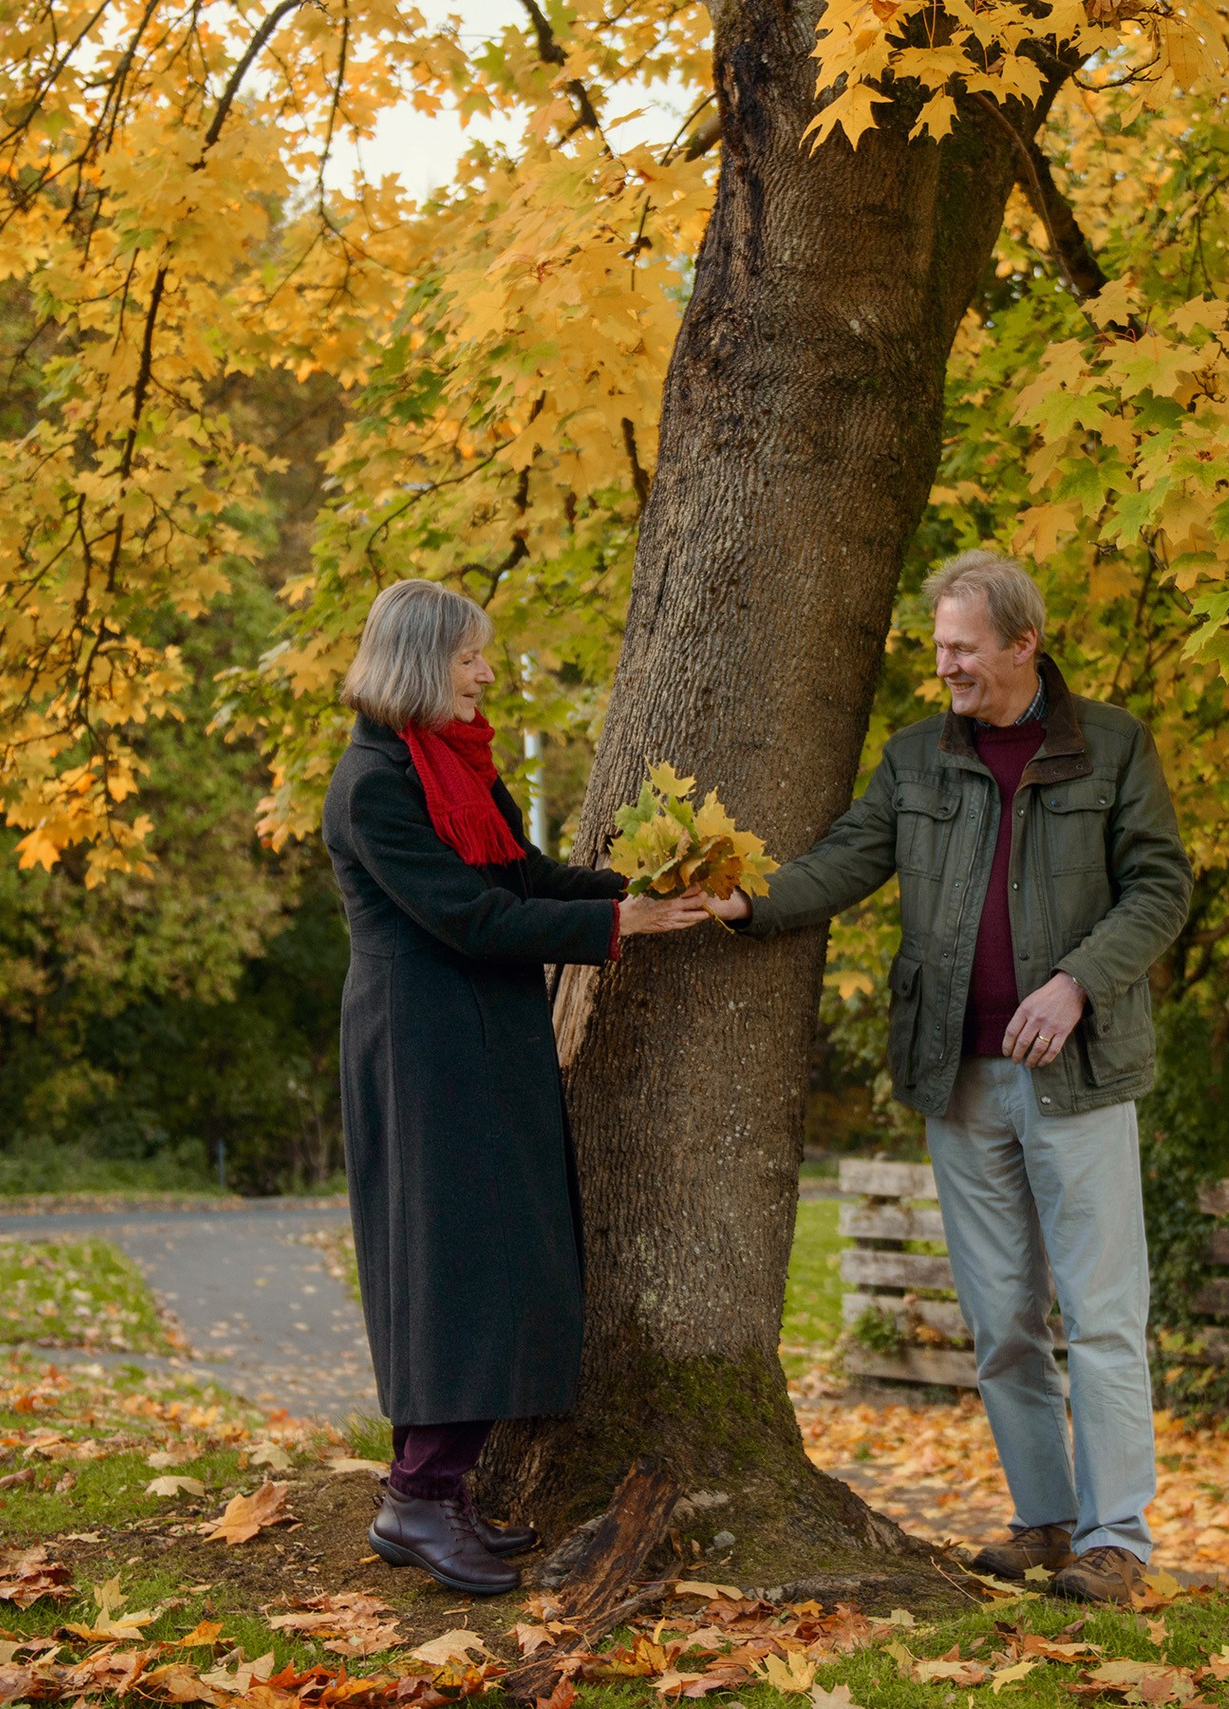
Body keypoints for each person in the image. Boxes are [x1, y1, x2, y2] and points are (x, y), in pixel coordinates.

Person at [707, 550, 1191, 1605]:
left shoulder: (1111, 747)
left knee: (1102, 1312)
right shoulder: (917, 758)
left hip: (1079, 1076)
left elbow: (1161, 887)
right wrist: (743, 902)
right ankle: (1045, 1517)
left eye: (963, 648)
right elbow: (845, 859)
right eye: (938, 648)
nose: (946, 667)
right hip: (955, 1076)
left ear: (1023, 643)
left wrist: (1075, 983)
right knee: (1002, 1317)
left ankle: (1120, 1541)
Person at [322, 579, 709, 1596]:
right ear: (417, 660)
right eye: (468, 658)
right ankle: (415, 1493)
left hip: (486, 1039)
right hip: (420, 1054)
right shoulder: (374, 782)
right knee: (452, 1268)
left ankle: (438, 1496)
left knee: (498, 1258)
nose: (485, 673)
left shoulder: (449, 764)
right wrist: (621, 930)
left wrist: (635, 893)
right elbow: (471, 918)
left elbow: (521, 877)